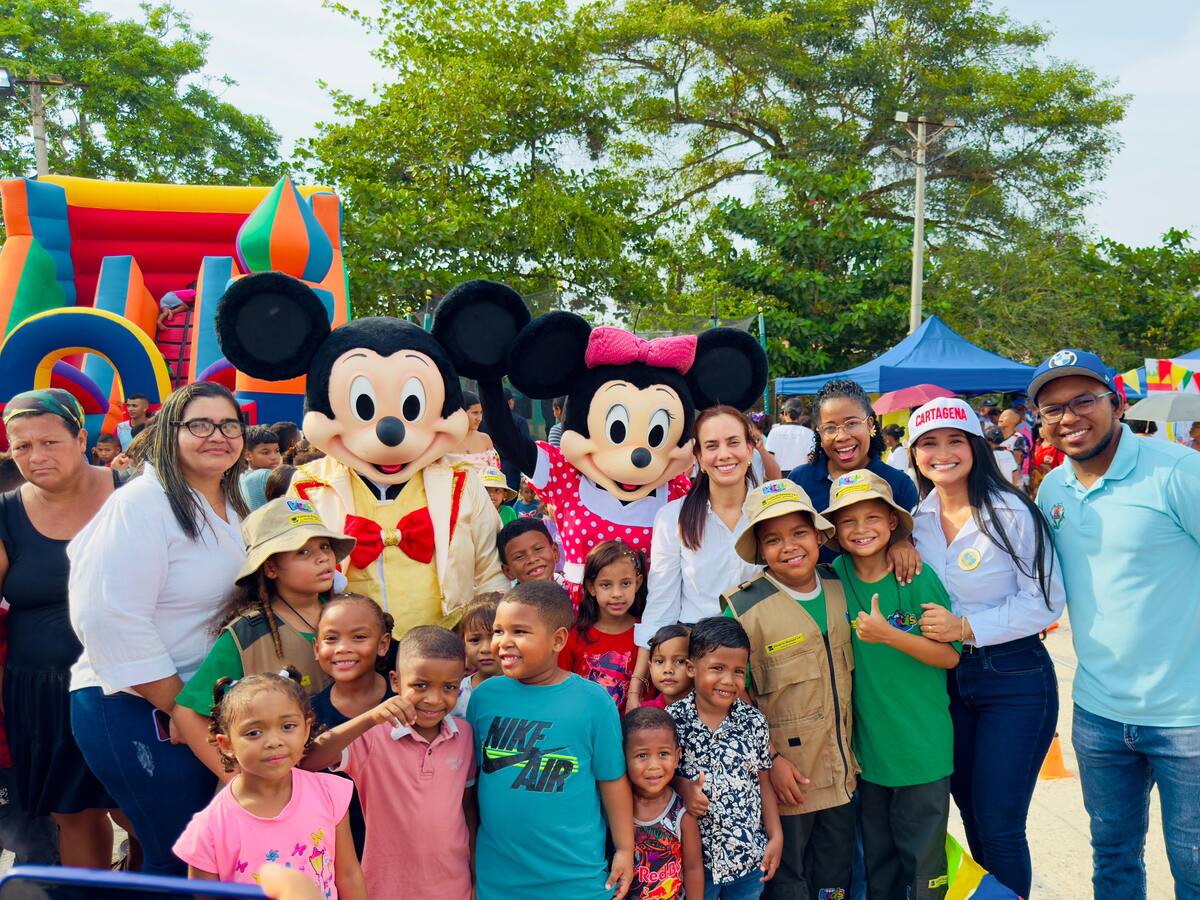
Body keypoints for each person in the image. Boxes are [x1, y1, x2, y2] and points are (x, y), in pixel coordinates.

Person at [1029, 349, 1200, 900]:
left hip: (1187, 719)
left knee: (1193, 870)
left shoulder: (1178, 471)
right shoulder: (1053, 489)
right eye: (1052, 409)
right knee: (1114, 860)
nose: (1069, 417)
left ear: (1117, 403)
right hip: (1100, 716)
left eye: (1083, 400)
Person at [69, 381, 249, 875]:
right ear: (169, 433)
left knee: (214, 852)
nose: (218, 435)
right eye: (199, 424)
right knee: (179, 854)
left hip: (205, 705)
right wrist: (181, 708)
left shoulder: (235, 507)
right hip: (137, 702)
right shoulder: (142, 506)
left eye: (229, 424)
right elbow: (106, 616)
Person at [906, 397, 1065, 898]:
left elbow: (1045, 603)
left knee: (999, 822)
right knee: (971, 814)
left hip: (1014, 679)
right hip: (946, 683)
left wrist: (966, 627)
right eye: (928, 444)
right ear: (914, 454)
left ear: (976, 445)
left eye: (955, 440)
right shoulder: (917, 518)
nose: (942, 453)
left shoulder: (1011, 510)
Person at [822, 470, 959, 900]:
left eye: (873, 518)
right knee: (878, 866)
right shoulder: (832, 578)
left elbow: (950, 655)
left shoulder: (916, 575)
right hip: (868, 755)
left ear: (894, 522)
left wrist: (891, 635)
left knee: (924, 868)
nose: (861, 530)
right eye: (848, 521)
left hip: (922, 751)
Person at [0, 389, 120, 868]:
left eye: (49, 442)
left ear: (80, 436)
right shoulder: (7, 512)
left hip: (127, 686)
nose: (35, 457)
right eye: (21, 446)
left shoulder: (132, 492)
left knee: (138, 810)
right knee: (71, 815)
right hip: (40, 693)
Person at [721, 481, 856, 898]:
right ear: (760, 550)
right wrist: (771, 760)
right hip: (788, 781)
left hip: (844, 775)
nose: (789, 547)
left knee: (835, 880)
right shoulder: (743, 607)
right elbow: (732, 696)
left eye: (799, 533)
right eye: (773, 539)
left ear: (818, 535)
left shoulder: (841, 586)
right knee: (787, 883)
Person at [466, 581, 634, 900]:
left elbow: (612, 781)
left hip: (578, 882)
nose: (502, 643)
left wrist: (625, 849)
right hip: (500, 883)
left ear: (558, 639)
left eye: (519, 632)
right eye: (498, 631)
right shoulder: (484, 698)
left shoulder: (593, 702)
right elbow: (473, 789)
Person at [172, 498, 355, 776]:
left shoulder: (353, 614)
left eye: (325, 547)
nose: (322, 558)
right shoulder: (248, 633)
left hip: (357, 775)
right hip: (282, 786)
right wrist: (236, 780)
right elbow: (187, 713)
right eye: (303, 552)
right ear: (270, 568)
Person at [305, 626, 476, 900]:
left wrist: (475, 875)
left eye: (449, 687)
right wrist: (369, 718)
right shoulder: (373, 736)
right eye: (420, 685)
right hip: (384, 889)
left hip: (453, 888)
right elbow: (309, 760)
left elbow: (466, 809)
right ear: (395, 682)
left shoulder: (464, 735)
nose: (433, 699)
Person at [173, 671, 365, 898]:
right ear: (226, 744)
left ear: (306, 728)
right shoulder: (209, 829)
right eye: (254, 732)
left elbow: (349, 874)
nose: (274, 742)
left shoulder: (329, 793)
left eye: (288, 726)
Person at [630, 407, 762, 710]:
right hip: (700, 666)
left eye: (733, 443)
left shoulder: (771, 510)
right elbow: (661, 604)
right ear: (699, 459)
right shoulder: (672, 517)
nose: (724, 455)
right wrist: (637, 688)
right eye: (712, 446)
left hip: (768, 656)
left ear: (750, 449)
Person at [668, 616, 782, 898]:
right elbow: (659, 781)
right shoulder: (673, 722)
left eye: (738, 672)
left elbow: (763, 781)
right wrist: (684, 786)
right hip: (695, 863)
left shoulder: (754, 721)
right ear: (692, 668)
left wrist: (776, 835)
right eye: (717, 668)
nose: (728, 681)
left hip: (747, 860)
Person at [786, 380, 921, 573]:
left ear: (870, 424)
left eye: (851, 424)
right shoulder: (800, 481)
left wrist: (903, 544)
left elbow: (912, 537)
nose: (841, 436)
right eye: (830, 428)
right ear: (819, 434)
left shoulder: (899, 484)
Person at [624, 706, 705, 899]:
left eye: (663, 754)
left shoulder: (681, 813)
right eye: (642, 755)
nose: (654, 765)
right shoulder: (618, 807)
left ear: (677, 757)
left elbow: (693, 868)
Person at [0, 605, 60, 866]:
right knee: (36, 847)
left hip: (11, 757)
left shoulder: (8, 622)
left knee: (34, 844)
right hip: (11, 757)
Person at [560, 540, 646, 710]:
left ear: (638, 583)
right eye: (606, 585)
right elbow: (560, 690)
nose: (617, 594)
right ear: (591, 587)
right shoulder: (574, 637)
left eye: (626, 583)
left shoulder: (645, 635)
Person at [310, 594, 395, 730]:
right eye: (331, 638)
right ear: (317, 648)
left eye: (359, 637)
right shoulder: (309, 716)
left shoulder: (406, 700)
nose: (343, 648)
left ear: (382, 644)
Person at [452, 594, 501, 718]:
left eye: (494, 637)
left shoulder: (528, 689)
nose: (485, 649)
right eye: (474, 640)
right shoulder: (454, 693)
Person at [641, 623, 692, 710]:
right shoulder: (646, 713)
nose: (668, 669)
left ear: (694, 667)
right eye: (659, 661)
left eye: (680, 661)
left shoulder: (709, 711)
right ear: (650, 667)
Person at [497, 517, 561, 584]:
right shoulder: (512, 594)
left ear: (555, 552)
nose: (532, 559)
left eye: (538, 549)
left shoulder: (571, 589)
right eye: (519, 557)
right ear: (508, 571)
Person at [449, 390, 500, 471]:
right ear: (460, 412)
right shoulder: (446, 441)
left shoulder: (485, 439)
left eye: (481, 412)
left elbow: (496, 474)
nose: (479, 418)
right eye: (475, 413)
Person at [764, 399, 816, 471]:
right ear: (801, 414)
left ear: (785, 413)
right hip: (801, 475)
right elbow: (811, 459)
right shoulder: (809, 433)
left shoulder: (775, 432)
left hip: (780, 477)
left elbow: (770, 458)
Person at [997, 409, 1031, 490]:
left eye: (1004, 416)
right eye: (1001, 415)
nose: (1000, 418)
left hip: (1012, 482)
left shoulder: (1018, 438)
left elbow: (1017, 460)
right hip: (998, 480)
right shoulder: (995, 436)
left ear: (1014, 421)